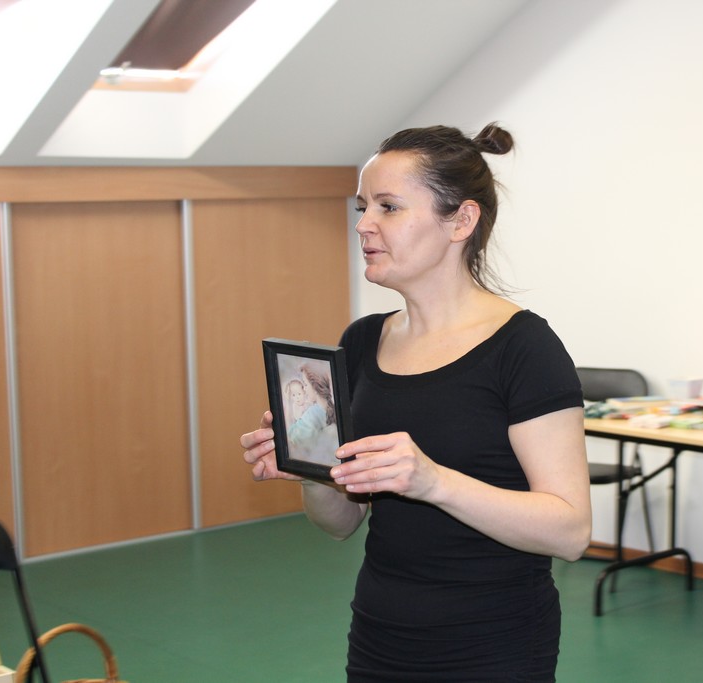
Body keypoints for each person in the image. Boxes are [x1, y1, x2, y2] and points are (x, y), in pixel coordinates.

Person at [240, 122, 591, 682]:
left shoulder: (524, 348)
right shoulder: (362, 342)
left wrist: (433, 482)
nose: (364, 225)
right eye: (363, 207)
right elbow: (341, 523)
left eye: (389, 207)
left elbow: (570, 532)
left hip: (494, 648)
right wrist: (311, 468)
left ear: (461, 221)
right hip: (379, 639)